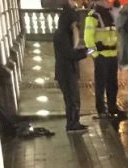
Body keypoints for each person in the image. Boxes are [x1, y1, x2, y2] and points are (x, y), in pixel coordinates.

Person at [53, 2, 90, 133]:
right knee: (71, 98)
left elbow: (73, 48)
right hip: (66, 72)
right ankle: (72, 124)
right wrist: (85, 52)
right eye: (75, 24)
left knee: (74, 98)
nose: (76, 28)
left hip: (69, 70)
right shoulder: (62, 35)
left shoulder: (64, 33)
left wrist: (84, 49)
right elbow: (70, 54)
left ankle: (75, 122)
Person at [84, 0, 124, 119]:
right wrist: (94, 54)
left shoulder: (111, 14)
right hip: (101, 56)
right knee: (100, 84)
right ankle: (101, 110)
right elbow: (87, 39)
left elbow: (116, 34)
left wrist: (118, 51)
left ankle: (112, 107)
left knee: (113, 84)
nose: (109, 2)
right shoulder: (93, 16)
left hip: (112, 55)